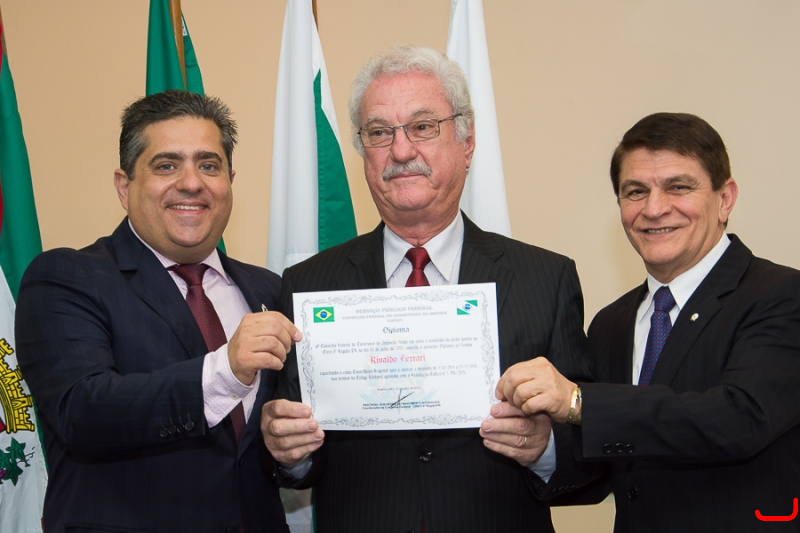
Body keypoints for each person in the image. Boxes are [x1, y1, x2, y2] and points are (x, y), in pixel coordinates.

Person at [260, 46, 589, 533]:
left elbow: (590, 457)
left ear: (467, 143)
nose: (401, 151)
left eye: (422, 127)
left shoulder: (546, 278)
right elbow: (298, 459)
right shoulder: (308, 284)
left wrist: (545, 449)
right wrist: (289, 453)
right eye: (379, 133)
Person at [496, 113, 800, 532]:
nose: (654, 209)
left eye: (679, 187)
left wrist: (579, 403)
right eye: (636, 191)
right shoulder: (611, 324)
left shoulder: (781, 294)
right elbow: (608, 463)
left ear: (725, 199)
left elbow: (737, 419)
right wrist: (541, 450)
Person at [16, 90, 301, 533]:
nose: (192, 182)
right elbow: (82, 412)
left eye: (209, 165)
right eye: (167, 165)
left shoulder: (270, 288)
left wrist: (295, 453)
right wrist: (225, 370)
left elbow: (270, 442)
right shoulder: (66, 278)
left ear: (230, 181)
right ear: (124, 186)